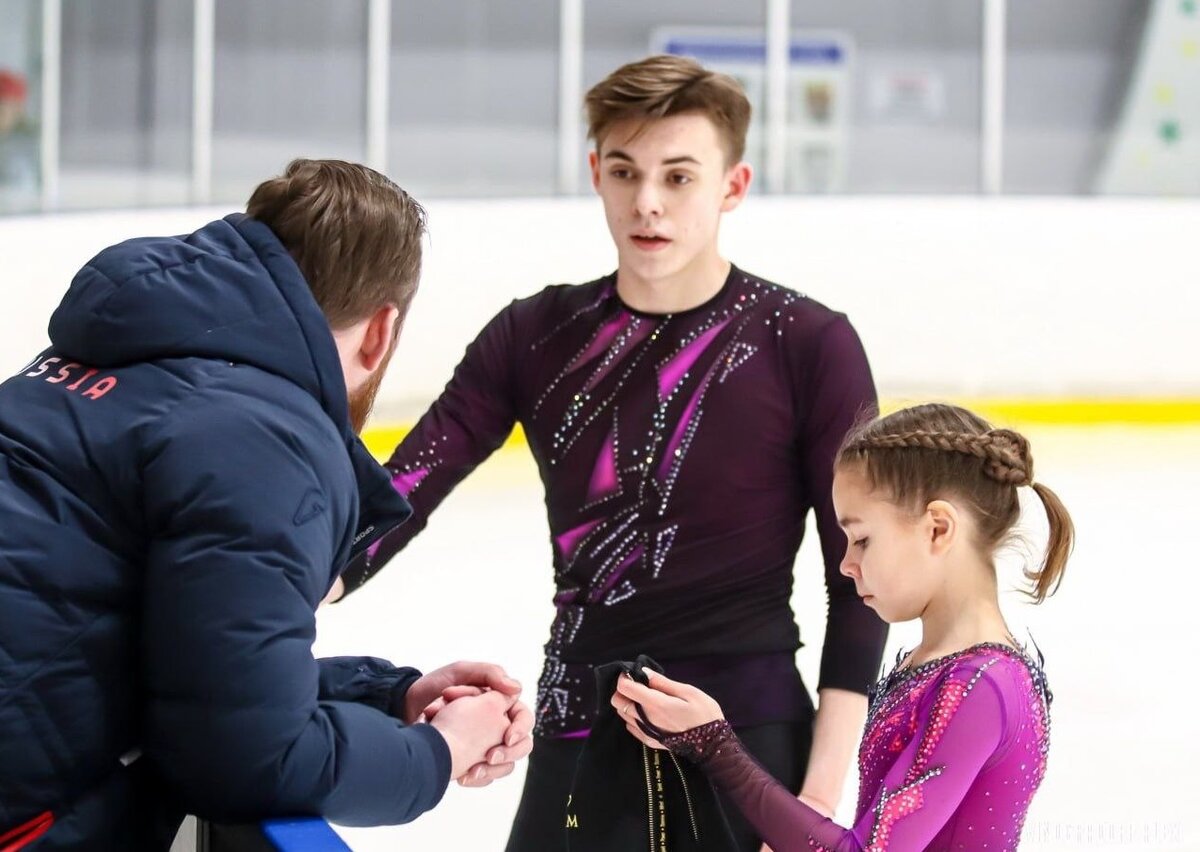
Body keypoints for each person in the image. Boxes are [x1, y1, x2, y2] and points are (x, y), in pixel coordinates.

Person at [333, 55, 888, 850]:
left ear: (733, 186)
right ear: (596, 172)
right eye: (625, 171)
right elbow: (406, 487)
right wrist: (299, 583)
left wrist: (815, 804)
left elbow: (858, 578)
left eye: (679, 176)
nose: (648, 202)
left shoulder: (806, 344)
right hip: (577, 731)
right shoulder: (537, 335)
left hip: (747, 737)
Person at [0, 159, 532, 852]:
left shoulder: (80, 364)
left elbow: (181, 667)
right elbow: (243, 758)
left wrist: (388, 694)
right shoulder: (269, 441)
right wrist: (438, 754)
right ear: (380, 331)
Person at [613, 403, 1071, 851]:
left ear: (937, 529)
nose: (847, 565)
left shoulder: (978, 686)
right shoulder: (940, 667)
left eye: (862, 540)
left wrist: (715, 745)